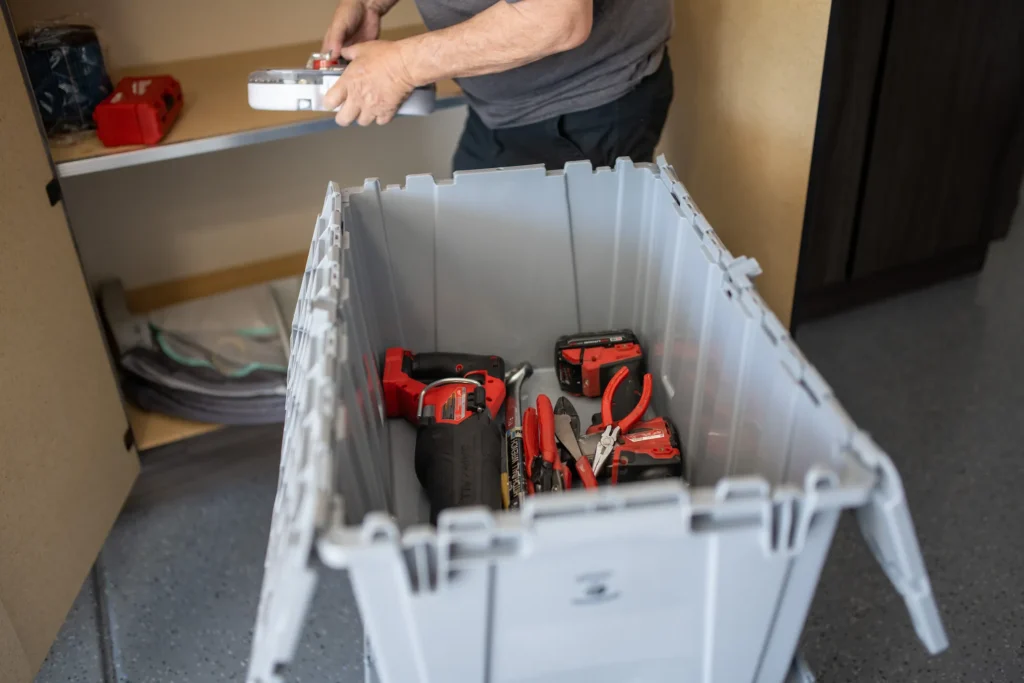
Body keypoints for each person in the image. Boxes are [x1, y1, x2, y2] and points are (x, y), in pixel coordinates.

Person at [322, 0, 673, 172]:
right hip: (498, 109)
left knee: (557, 296)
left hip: (584, 105)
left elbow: (555, 15)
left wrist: (401, 67)